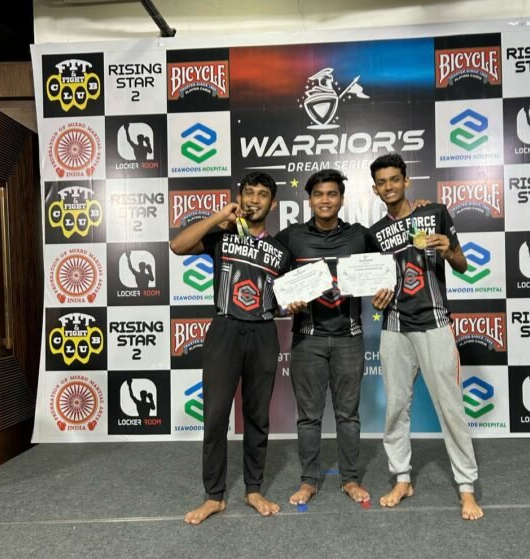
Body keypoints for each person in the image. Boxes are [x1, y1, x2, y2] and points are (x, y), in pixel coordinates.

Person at [170, 172, 291, 523]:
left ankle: (254, 489)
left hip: (263, 332)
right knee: (215, 415)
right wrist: (217, 217)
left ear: (273, 204)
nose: (255, 199)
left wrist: (293, 303)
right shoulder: (222, 236)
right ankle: (214, 496)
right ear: (239, 198)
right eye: (249, 193)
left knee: (257, 416)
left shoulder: (281, 250)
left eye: (263, 194)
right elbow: (178, 246)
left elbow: (287, 298)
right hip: (224, 329)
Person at [368, 153, 483, 520]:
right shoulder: (373, 234)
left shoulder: (433, 213)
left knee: (450, 406)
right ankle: (401, 478)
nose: (388, 186)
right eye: (381, 182)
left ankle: (466, 488)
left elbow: (462, 264)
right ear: (375, 189)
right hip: (394, 326)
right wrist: (375, 297)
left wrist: (448, 250)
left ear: (406, 181)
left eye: (394, 179)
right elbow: (375, 284)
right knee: (395, 408)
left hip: (434, 322)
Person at [275, 169, 392, 506]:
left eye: (331, 194)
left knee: (348, 415)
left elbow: (389, 264)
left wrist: (384, 287)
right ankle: (308, 481)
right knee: (308, 417)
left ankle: (350, 479)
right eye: (318, 194)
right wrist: (285, 302)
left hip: (349, 339)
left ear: (341, 199)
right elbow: (269, 277)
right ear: (309, 200)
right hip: (307, 339)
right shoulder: (291, 236)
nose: (325, 200)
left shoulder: (360, 235)